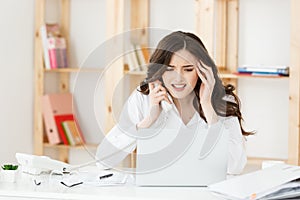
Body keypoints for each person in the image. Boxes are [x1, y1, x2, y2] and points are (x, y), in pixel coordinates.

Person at [96, 31, 253, 175]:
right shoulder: (144, 98)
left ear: (203, 71)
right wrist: (148, 121)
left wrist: (209, 109)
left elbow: (234, 167)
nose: (178, 78)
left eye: (188, 69)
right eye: (170, 69)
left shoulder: (221, 101)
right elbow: (102, 160)